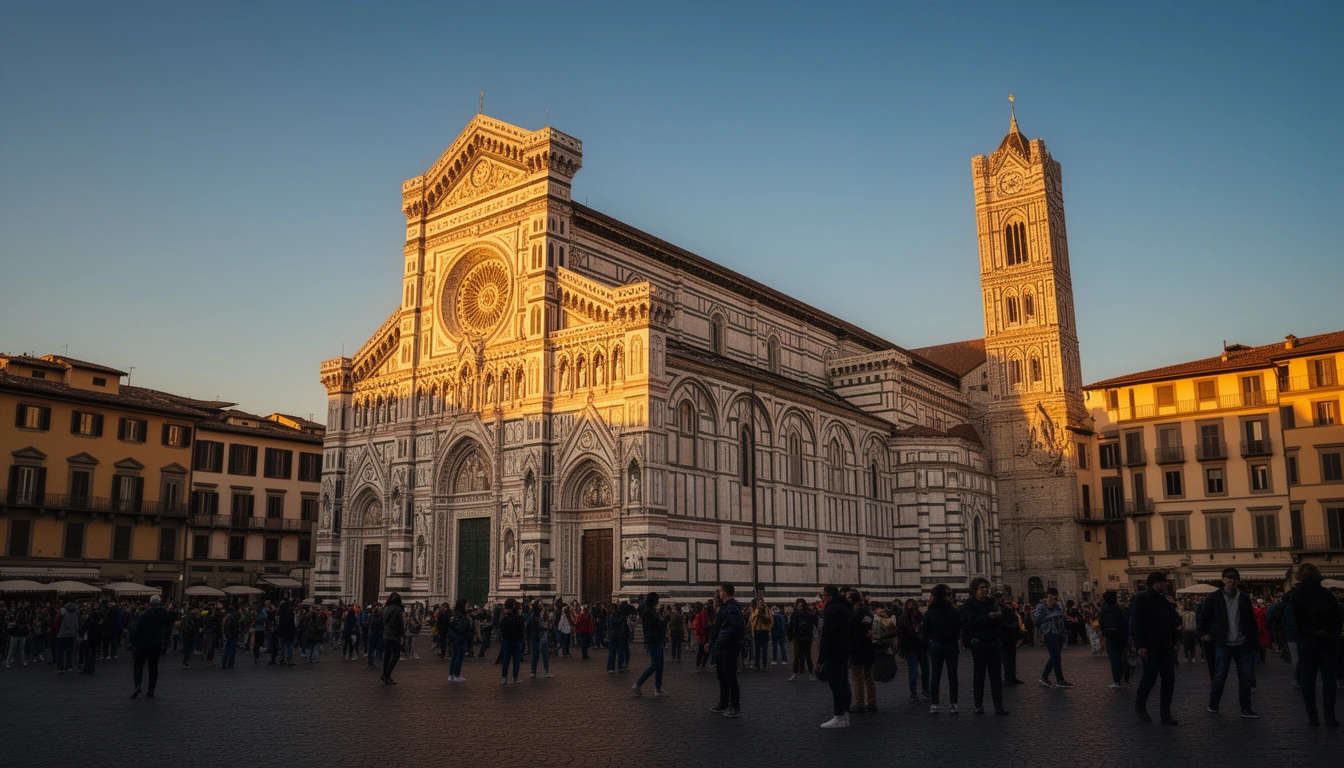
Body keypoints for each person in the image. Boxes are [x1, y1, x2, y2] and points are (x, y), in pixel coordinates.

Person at [1198, 567, 1261, 718]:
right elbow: (1203, 617)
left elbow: (1251, 621)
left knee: (1245, 677)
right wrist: (1204, 633)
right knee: (1220, 675)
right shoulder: (1214, 597)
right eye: (1228, 578)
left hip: (1242, 642)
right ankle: (1213, 704)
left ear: (1238, 580)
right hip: (1223, 643)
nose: (1231, 581)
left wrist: (1255, 642)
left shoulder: (1244, 598)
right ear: (1223, 580)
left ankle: (1246, 708)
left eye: (1234, 578)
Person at [1291, 562, 1340, 726]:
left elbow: (1296, 619)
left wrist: (1311, 632)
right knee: (1329, 679)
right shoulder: (1326, 594)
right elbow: (1337, 617)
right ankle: (1330, 716)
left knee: (1308, 679)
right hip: (1328, 640)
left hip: (1307, 640)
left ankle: (1312, 716)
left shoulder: (1297, 594)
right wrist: (1329, 632)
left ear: (1300, 576)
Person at [1132, 571, 1179, 725]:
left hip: (1165, 646)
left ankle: (1165, 713)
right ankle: (1140, 704)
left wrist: (1175, 640)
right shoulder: (1143, 598)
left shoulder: (1164, 601)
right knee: (1150, 677)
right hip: (1150, 646)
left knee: (1169, 679)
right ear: (1156, 583)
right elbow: (1137, 622)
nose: (1165, 584)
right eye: (1163, 582)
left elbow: (1170, 622)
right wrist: (1140, 644)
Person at [961, 577, 1008, 715]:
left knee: (996, 676)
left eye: (986, 587)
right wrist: (988, 617)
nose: (985, 590)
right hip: (979, 643)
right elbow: (971, 622)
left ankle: (998, 705)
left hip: (994, 642)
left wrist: (998, 619)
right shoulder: (970, 603)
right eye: (982, 587)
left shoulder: (991, 602)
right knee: (979, 675)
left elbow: (1000, 618)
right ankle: (978, 704)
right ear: (975, 589)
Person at [817, 584, 853, 728]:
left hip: (834, 651)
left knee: (835, 684)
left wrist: (821, 657)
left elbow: (827, 635)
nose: (822, 598)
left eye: (823, 595)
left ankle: (839, 716)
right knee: (844, 683)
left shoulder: (831, 610)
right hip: (844, 650)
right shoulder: (845, 608)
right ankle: (845, 715)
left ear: (830, 596)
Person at [924, 583, 962, 714]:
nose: (950, 597)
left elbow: (925, 630)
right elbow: (958, 628)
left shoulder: (930, 612)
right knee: (952, 675)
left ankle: (934, 704)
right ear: (943, 596)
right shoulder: (953, 611)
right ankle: (953, 704)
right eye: (948, 594)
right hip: (951, 644)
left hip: (937, 645)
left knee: (936, 675)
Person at [710, 583, 745, 718]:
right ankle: (724, 702)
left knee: (730, 676)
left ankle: (735, 706)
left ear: (725, 592)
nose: (718, 593)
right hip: (722, 645)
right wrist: (712, 642)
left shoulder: (732, 607)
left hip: (729, 645)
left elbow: (734, 626)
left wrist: (721, 640)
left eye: (720, 591)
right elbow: (718, 627)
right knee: (721, 675)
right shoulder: (724, 607)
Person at [130, 595, 171, 699]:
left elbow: (138, 629)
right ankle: (151, 691)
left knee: (138, 665)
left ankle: (138, 685)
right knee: (153, 667)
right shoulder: (165, 614)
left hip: (144, 643)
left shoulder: (146, 614)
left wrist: (134, 640)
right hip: (157, 643)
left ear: (150, 603)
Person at [1033, 588, 1072, 688]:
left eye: (1055, 596)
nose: (1053, 598)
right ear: (1047, 596)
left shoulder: (1058, 606)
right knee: (1056, 657)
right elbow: (1036, 621)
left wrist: (1057, 605)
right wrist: (1048, 611)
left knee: (1055, 656)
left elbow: (1062, 615)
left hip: (1059, 632)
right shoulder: (1041, 606)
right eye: (1051, 596)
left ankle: (1044, 677)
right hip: (1049, 632)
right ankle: (1060, 680)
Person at [846, 590, 876, 716]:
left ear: (852, 600)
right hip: (868, 646)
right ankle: (872, 703)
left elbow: (849, 629)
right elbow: (868, 626)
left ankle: (859, 704)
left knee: (857, 677)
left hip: (857, 647)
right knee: (869, 676)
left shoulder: (855, 614)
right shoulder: (868, 613)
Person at [634, 591, 670, 696]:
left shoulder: (650, 610)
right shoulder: (649, 612)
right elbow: (654, 625)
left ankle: (658, 688)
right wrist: (664, 620)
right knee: (655, 664)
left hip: (657, 639)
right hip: (653, 639)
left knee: (660, 665)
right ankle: (638, 684)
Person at [897, 598, 929, 701]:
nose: (912, 607)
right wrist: (901, 647)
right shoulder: (903, 618)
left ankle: (925, 690)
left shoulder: (920, 617)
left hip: (920, 646)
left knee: (926, 670)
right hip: (910, 647)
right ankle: (913, 692)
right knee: (913, 671)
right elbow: (900, 633)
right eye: (910, 605)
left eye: (913, 604)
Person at [1098, 590, 1127, 688]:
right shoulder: (1120, 609)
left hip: (1109, 635)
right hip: (1121, 635)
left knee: (1113, 658)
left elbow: (1101, 622)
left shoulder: (1103, 609)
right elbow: (1124, 621)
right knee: (1120, 657)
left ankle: (1116, 680)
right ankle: (1122, 677)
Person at [497, 598, 526, 684]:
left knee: (506, 659)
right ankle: (515, 677)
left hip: (507, 639)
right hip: (515, 639)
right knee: (515, 660)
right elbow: (521, 628)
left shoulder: (505, 616)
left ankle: (504, 678)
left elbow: (500, 626)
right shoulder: (518, 617)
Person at [787, 598, 815, 681]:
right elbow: (790, 626)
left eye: (801, 605)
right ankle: (795, 673)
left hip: (806, 637)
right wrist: (790, 637)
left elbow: (810, 626)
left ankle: (811, 673)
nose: (800, 607)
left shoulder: (806, 614)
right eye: (799, 605)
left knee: (807, 655)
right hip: (798, 637)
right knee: (797, 656)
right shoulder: (795, 614)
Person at [997, 593, 1022, 686]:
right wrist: (1012, 626)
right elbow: (1002, 623)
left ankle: (1012, 677)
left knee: (1012, 657)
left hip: (1012, 635)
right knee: (1007, 658)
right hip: (1005, 636)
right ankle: (1008, 678)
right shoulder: (1001, 609)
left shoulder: (1011, 609)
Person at [446, 599, 471, 682]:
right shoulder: (462, 616)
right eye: (466, 606)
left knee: (455, 656)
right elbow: (462, 628)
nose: (467, 608)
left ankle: (451, 675)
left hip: (454, 637)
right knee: (460, 656)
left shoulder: (454, 614)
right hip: (460, 638)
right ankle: (457, 675)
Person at [80, 602, 105, 675]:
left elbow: (84, 627)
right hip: (96, 638)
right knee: (93, 653)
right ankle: (91, 668)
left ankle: (87, 668)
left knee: (88, 653)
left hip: (89, 637)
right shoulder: (100, 618)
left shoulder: (91, 618)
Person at [749, 598, 772, 671]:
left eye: (761, 603)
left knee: (764, 649)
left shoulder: (767, 610)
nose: (760, 604)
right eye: (759, 603)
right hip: (757, 630)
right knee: (757, 649)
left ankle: (764, 665)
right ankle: (757, 664)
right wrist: (757, 611)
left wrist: (764, 613)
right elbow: (752, 618)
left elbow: (770, 619)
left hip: (764, 630)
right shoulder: (756, 610)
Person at [693, 600, 715, 672]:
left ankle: (702, 665)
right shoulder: (700, 615)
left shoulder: (708, 615)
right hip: (703, 635)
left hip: (706, 634)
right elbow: (697, 627)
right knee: (701, 650)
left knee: (706, 651)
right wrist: (702, 632)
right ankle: (699, 665)